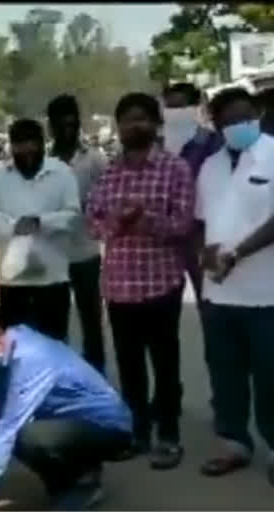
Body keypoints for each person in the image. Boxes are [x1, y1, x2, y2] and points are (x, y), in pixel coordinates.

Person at [0, 300, 132, 511]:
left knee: (27, 437)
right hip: (71, 421)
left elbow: (8, 428)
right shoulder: (6, 353)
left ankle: (82, 485)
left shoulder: (29, 360)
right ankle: (78, 472)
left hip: (110, 427)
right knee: (18, 434)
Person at [86, 92, 195, 470]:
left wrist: (145, 220)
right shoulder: (110, 173)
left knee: (165, 364)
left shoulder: (174, 169)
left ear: (155, 124)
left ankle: (168, 434)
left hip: (161, 283)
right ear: (118, 127)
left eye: (142, 119)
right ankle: (136, 431)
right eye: (128, 120)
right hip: (119, 287)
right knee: (130, 366)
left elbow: (183, 224)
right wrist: (118, 221)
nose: (135, 126)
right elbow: (93, 223)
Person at [194, 87, 274, 486]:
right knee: (225, 372)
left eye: (243, 117)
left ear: (257, 113)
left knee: (271, 373)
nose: (236, 126)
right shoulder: (209, 166)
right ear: (216, 124)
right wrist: (206, 255)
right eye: (226, 122)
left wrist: (238, 253)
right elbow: (201, 222)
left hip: (267, 292)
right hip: (219, 293)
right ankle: (233, 443)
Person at [0, 119, 80, 341]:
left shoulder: (62, 173)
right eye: (20, 145)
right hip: (13, 280)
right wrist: (12, 225)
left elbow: (73, 216)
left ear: (42, 144)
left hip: (53, 278)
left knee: (54, 344)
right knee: (14, 345)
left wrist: (41, 222)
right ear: (11, 146)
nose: (26, 151)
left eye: (32, 144)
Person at [46, 94, 109, 373]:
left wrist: (88, 207)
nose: (66, 129)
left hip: (86, 251)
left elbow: (108, 198)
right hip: (52, 254)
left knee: (91, 319)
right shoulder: (43, 160)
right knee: (54, 321)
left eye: (71, 123)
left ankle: (95, 376)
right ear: (51, 126)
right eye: (59, 124)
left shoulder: (95, 159)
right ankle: (58, 377)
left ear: (78, 123)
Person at [162, 82, 224, 302]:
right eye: (169, 108)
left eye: (181, 107)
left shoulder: (213, 143)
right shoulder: (157, 146)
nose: (175, 114)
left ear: (195, 107)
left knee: (207, 297)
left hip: (200, 235)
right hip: (164, 237)